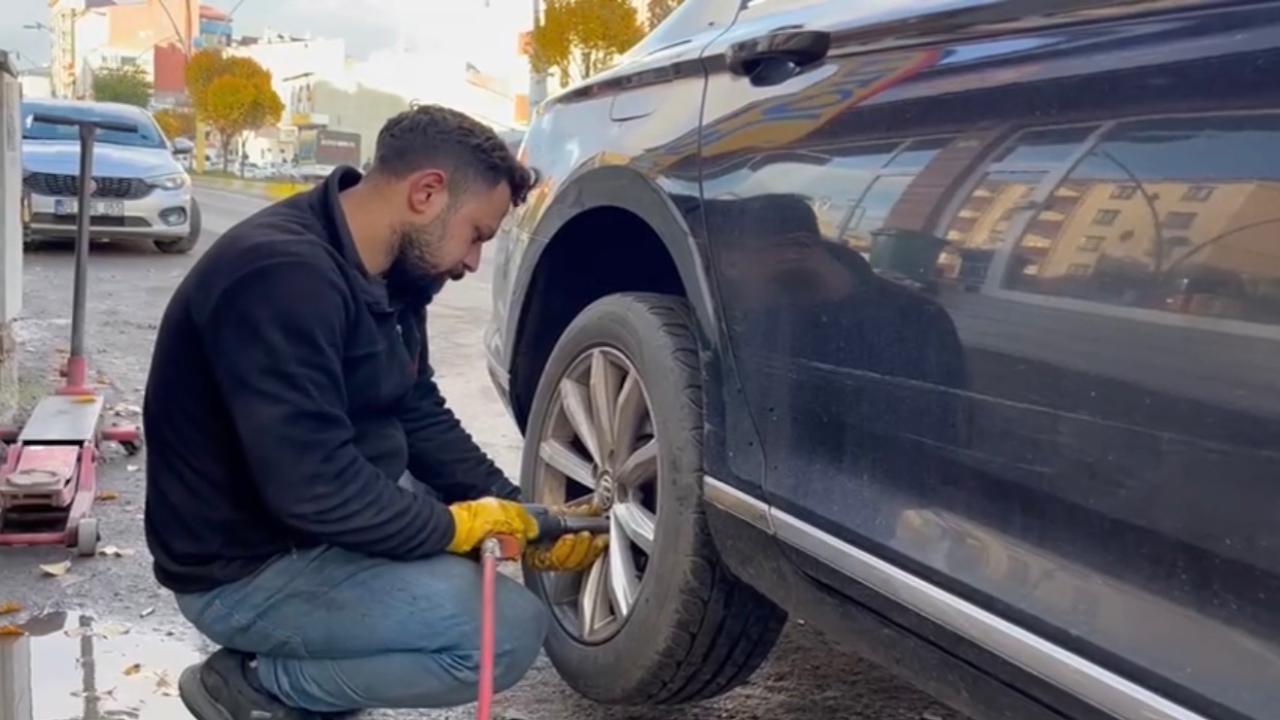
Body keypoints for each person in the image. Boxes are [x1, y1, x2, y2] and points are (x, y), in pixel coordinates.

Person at [143, 105, 607, 720]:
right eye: (477, 235)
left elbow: (416, 412)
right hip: (245, 567)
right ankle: (258, 684)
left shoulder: (392, 272)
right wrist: (457, 528)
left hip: (309, 522)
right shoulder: (280, 278)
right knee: (505, 633)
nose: (472, 263)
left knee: (452, 532)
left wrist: (519, 510)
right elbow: (317, 490)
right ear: (427, 193)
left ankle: (329, 651)